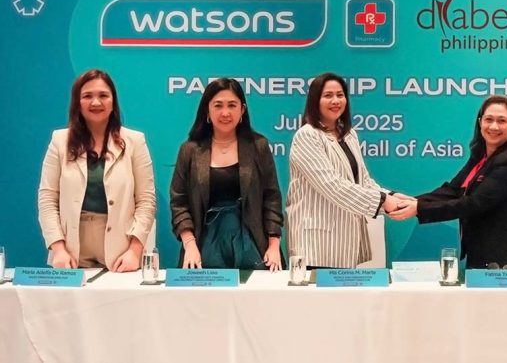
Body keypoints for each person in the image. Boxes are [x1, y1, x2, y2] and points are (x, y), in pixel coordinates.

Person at [390, 95, 507, 269]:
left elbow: (473, 204)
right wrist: (411, 201)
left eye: (501, 121)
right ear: (480, 122)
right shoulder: (480, 157)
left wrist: (419, 208)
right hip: (480, 253)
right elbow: (452, 191)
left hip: (504, 259)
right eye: (489, 119)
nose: (494, 126)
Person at [38, 69, 156, 271]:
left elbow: (146, 200)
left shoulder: (135, 141)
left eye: (103, 95)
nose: (95, 102)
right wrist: (58, 249)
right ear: (77, 102)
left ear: (113, 101)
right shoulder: (59, 141)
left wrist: (134, 251)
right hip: (71, 250)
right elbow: (47, 199)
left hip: (122, 250)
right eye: (87, 96)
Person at [286, 72, 402, 268]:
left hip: (345, 242)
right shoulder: (307, 135)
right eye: (328, 95)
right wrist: (383, 201)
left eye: (340, 95)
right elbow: (332, 186)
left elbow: (364, 181)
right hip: (316, 245)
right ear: (315, 100)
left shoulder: (349, 134)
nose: (335, 101)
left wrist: (393, 197)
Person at [170, 78, 284, 271]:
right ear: (207, 110)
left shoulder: (259, 146)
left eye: (232, 105)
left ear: (242, 110)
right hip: (202, 249)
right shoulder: (190, 150)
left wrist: (273, 245)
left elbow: (272, 198)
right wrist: (189, 245)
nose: (225, 113)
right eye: (218, 105)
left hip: (255, 248)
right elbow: (179, 202)